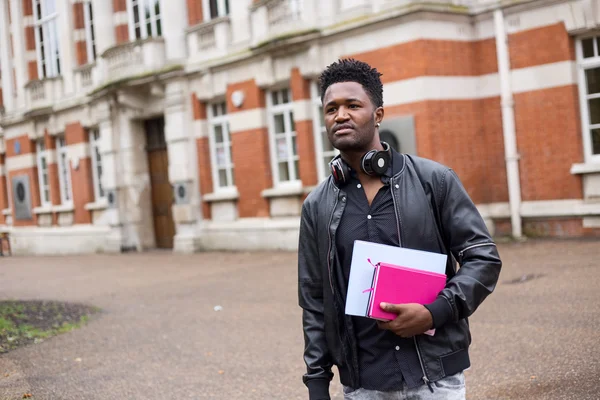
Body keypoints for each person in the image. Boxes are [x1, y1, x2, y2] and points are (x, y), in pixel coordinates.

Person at [297, 59, 502, 400]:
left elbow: (483, 258)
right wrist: (317, 383)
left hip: (436, 376)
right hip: (363, 385)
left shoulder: (434, 180)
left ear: (377, 115)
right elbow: (314, 301)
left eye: (353, 105)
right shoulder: (316, 205)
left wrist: (433, 312)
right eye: (331, 108)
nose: (341, 115)